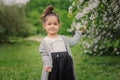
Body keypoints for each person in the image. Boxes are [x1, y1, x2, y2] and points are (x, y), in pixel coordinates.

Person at [39, 5, 86, 80]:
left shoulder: (63, 38)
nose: (52, 26)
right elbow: (44, 54)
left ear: (59, 25)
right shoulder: (45, 41)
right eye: (49, 24)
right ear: (44, 26)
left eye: (55, 24)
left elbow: (73, 42)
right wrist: (47, 64)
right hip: (54, 67)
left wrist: (79, 33)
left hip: (66, 65)